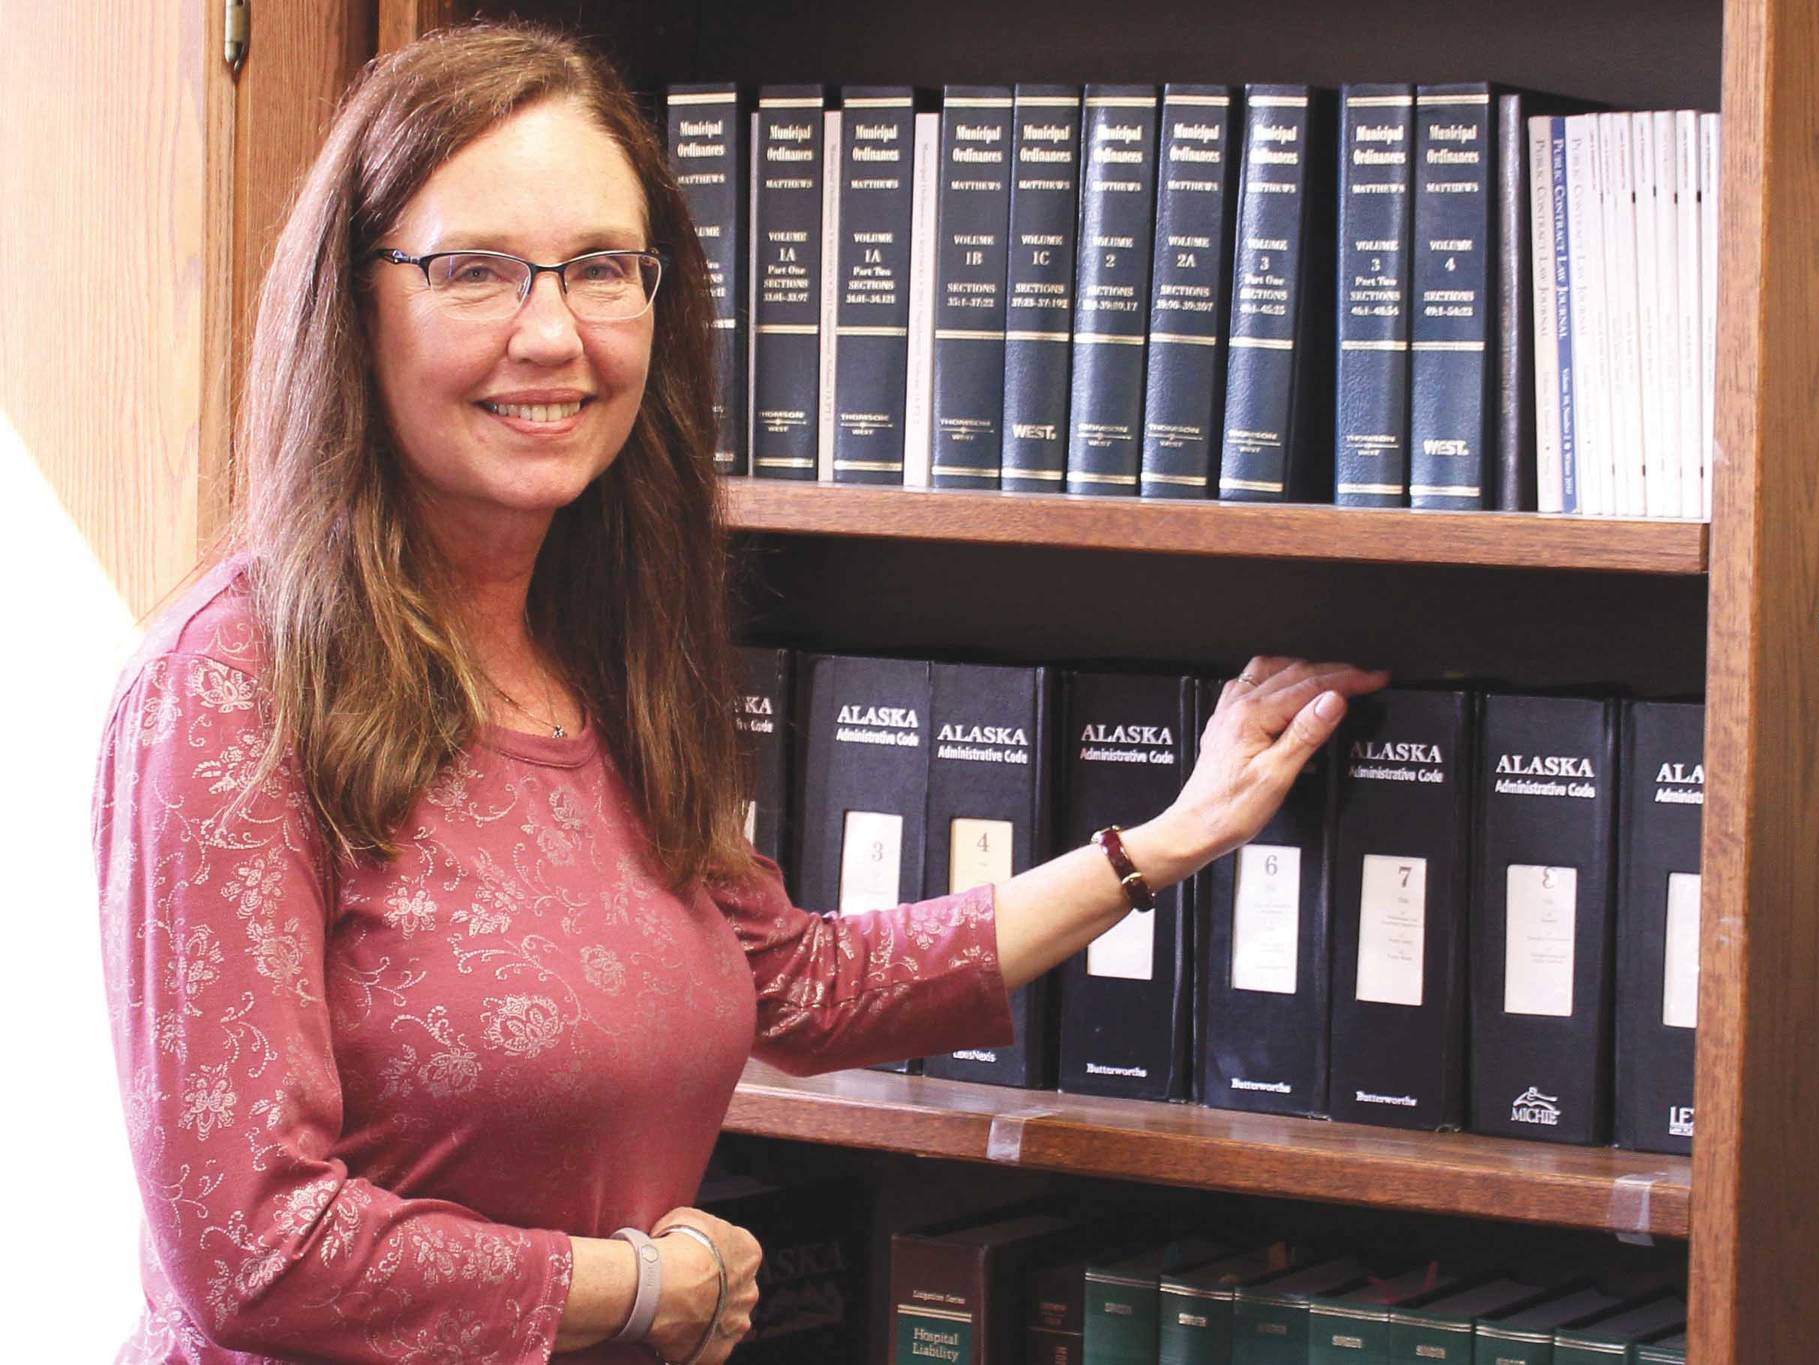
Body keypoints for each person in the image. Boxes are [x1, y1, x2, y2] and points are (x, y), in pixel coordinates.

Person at [94, 23, 1384, 1365]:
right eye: (474, 272)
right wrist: (642, 1283)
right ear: (354, 306)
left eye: (601, 268)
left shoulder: (603, 656)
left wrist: (1166, 842)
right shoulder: (230, 687)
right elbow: (250, 1250)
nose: (553, 334)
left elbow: (801, 983)